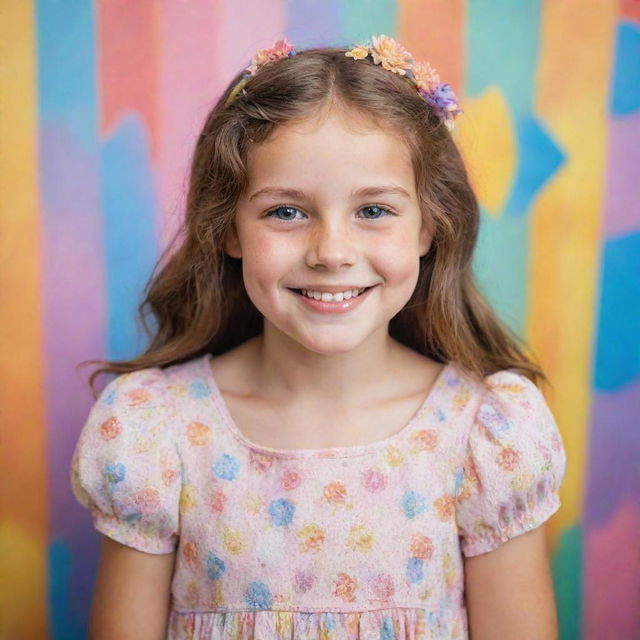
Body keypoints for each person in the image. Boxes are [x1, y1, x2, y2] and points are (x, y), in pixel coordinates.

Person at [70, 35, 567, 640]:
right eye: (286, 211)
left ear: (430, 226)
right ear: (228, 229)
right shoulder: (157, 434)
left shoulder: (485, 437)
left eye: (374, 210)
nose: (332, 252)